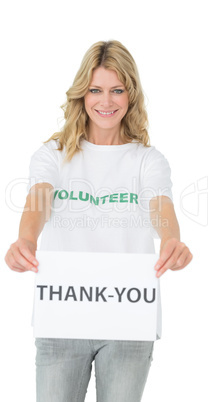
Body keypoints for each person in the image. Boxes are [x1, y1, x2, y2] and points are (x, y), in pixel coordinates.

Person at [5, 40, 193, 402]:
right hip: (61, 318)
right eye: (96, 90)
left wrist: (171, 238)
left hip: (128, 321)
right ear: (82, 94)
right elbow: (39, 199)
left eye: (116, 90)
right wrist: (26, 239)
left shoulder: (147, 160)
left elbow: (160, 205)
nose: (106, 102)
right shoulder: (53, 155)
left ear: (130, 94)